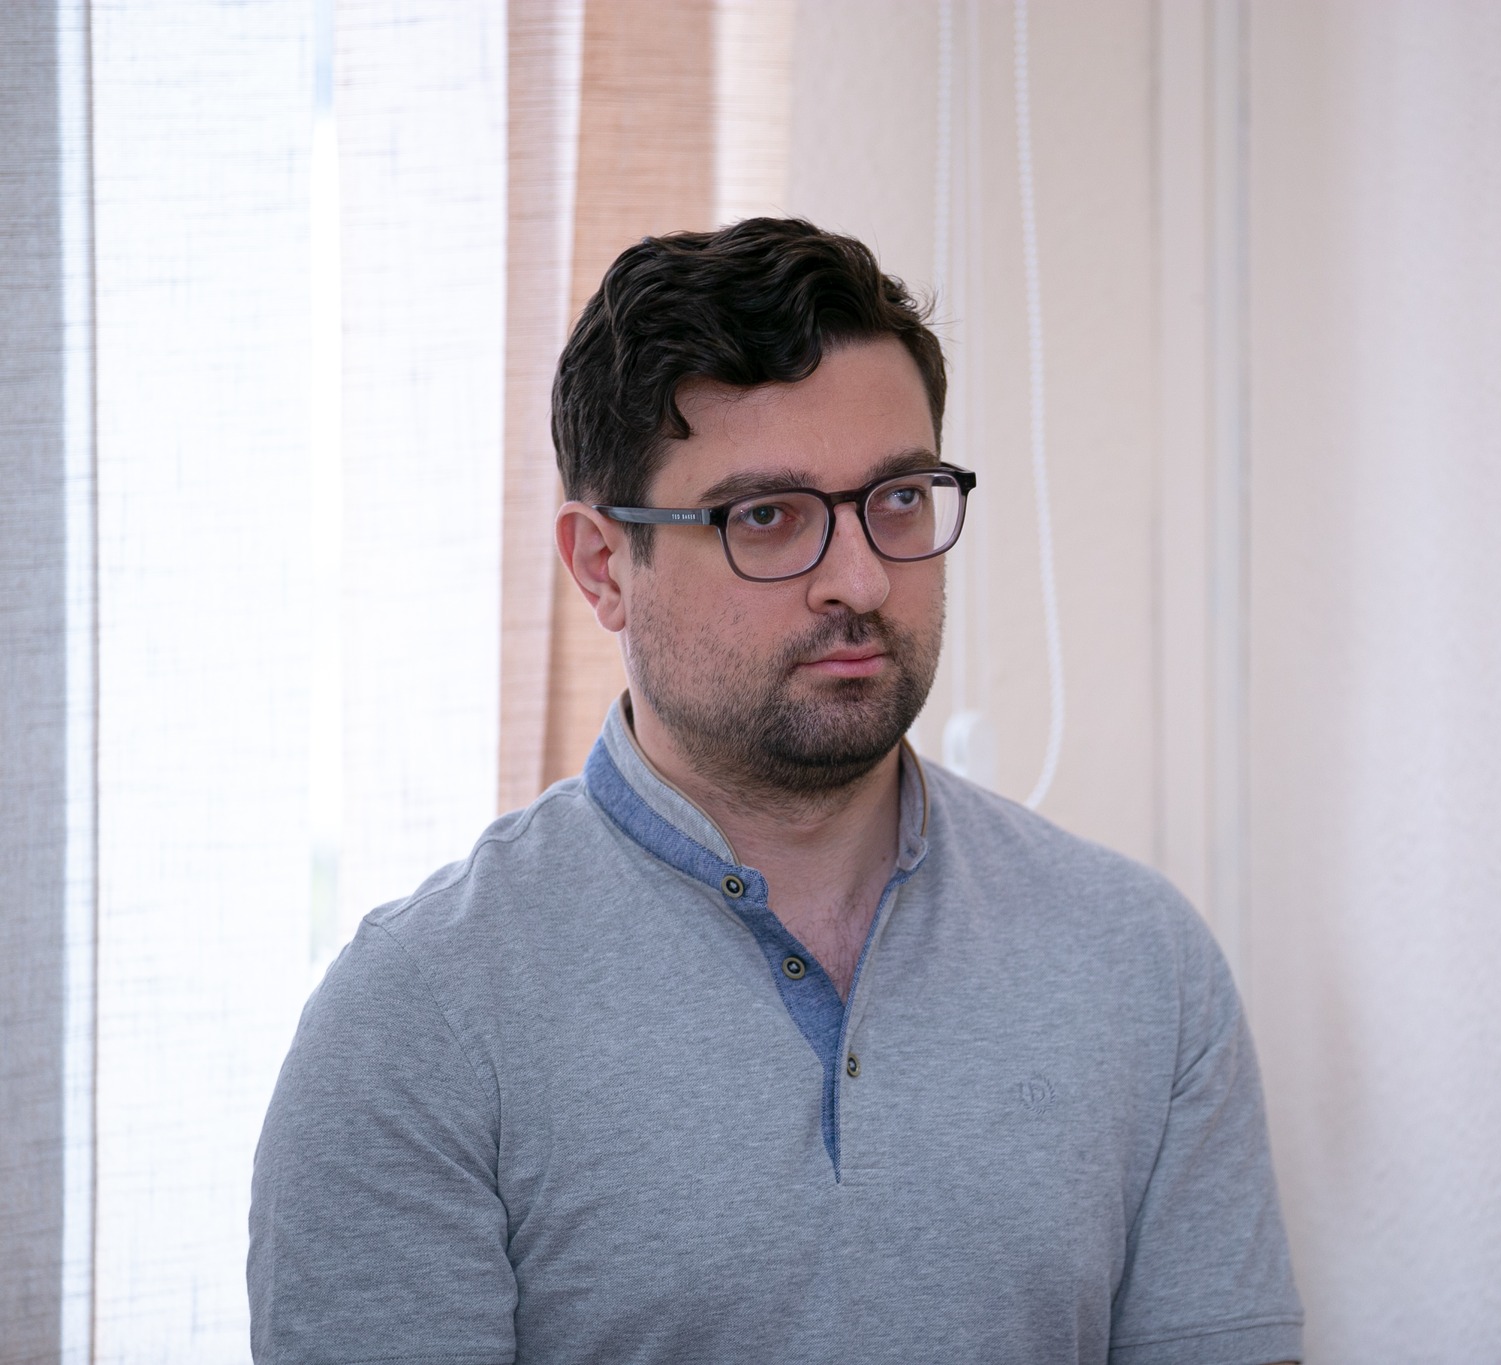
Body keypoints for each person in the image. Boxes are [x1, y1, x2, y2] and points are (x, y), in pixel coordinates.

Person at [248, 218, 1301, 1364]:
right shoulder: (417, 1024)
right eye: (766, 517)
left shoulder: (1141, 964)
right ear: (602, 566)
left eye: (898, 499)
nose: (858, 579)